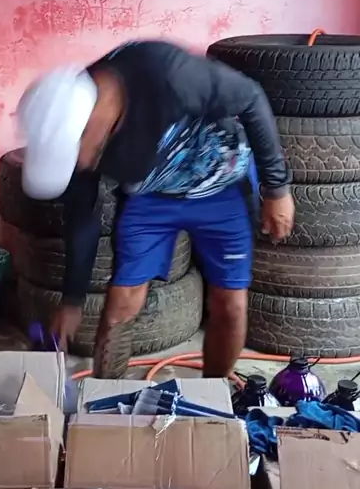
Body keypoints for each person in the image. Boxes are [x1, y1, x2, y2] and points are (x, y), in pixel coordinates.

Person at [18, 40, 294, 378]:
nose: (83, 163)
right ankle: (108, 394)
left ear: (96, 120)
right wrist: (72, 301)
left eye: (79, 153)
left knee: (230, 304)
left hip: (222, 188)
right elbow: (82, 218)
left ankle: (213, 394)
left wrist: (276, 188)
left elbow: (250, 97)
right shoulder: (72, 124)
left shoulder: (166, 73)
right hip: (149, 199)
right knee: (121, 302)